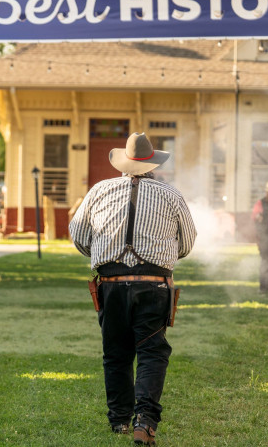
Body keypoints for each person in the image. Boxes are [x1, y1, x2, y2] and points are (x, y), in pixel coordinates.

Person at [69, 132, 196, 444]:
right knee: (152, 351)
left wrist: (103, 255)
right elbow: (187, 243)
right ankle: (145, 420)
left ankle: (119, 421)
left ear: (123, 164)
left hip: (110, 284)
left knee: (116, 353)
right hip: (155, 285)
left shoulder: (99, 191)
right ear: (153, 164)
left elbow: (78, 236)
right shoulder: (171, 195)